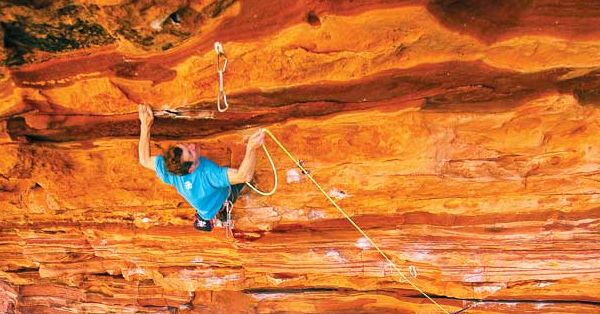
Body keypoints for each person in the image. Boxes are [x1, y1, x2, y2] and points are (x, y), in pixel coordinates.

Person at [137, 104, 265, 232]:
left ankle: (212, 217)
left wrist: (145, 124)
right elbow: (244, 176)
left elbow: (144, 159)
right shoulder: (208, 174)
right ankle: (222, 214)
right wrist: (251, 148)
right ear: (192, 169)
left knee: (206, 209)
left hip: (203, 206)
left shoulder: (171, 170)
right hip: (221, 199)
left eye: (186, 146)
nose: (192, 145)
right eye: (191, 153)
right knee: (246, 178)